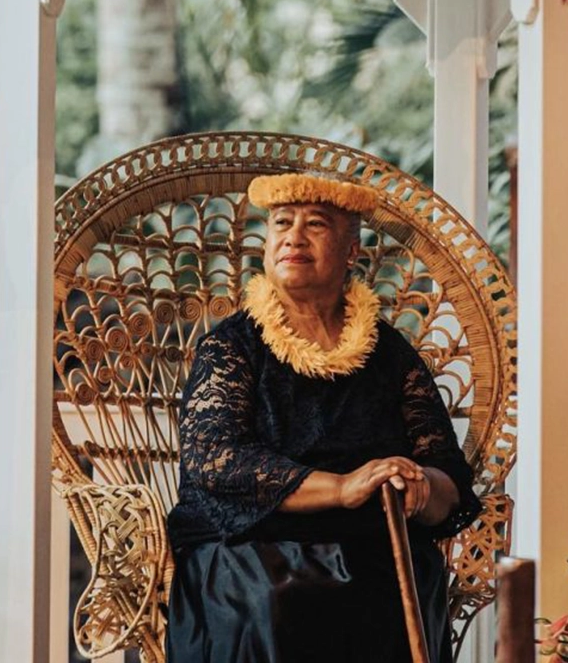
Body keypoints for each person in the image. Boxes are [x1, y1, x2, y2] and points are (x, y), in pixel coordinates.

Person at [165, 172, 483, 662]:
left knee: (409, 586)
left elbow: (447, 474)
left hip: (376, 551)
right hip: (251, 552)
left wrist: (419, 487)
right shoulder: (232, 346)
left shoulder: (389, 353)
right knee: (278, 599)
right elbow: (215, 460)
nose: (293, 236)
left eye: (315, 224)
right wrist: (342, 487)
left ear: (351, 251)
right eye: (281, 223)